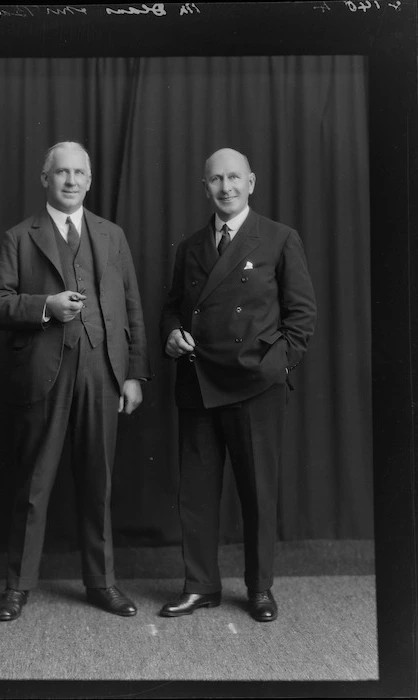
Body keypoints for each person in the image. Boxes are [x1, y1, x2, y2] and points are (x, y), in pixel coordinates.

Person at [0, 141, 151, 621]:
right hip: (44, 373)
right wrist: (44, 307)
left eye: (79, 173)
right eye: (61, 173)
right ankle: (17, 586)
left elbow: (132, 307)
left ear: (90, 181)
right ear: (45, 180)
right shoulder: (20, 236)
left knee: (98, 481)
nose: (71, 180)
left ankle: (102, 583)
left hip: (103, 371)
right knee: (35, 484)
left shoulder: (112, 235)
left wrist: (134, 374)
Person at [159, 148, 316, 622]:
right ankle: (200, 585)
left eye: (233, 178)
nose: (225, 187)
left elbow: (302, 316)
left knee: (257, 492)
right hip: (198, 381)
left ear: (251, 182)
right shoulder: (190, 246)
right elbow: (172, 305)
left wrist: (272, 367)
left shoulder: (279, 238)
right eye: (215, 180)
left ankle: (260, 588)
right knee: (198, 493)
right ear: (204, 187)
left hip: (254, 385)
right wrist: (170, 332)